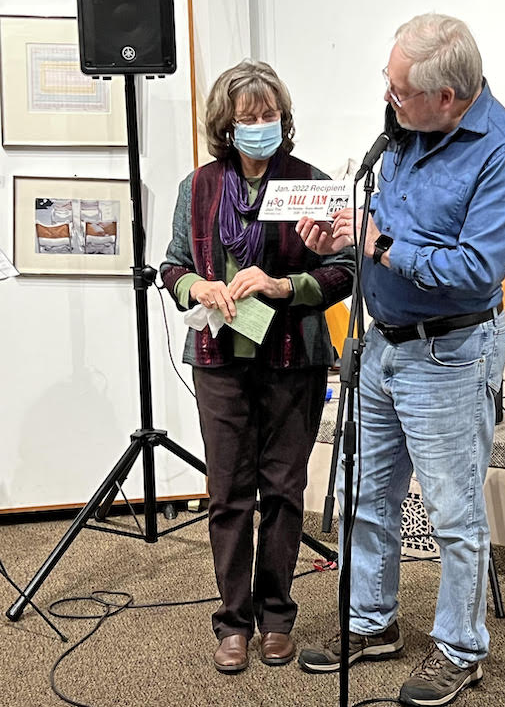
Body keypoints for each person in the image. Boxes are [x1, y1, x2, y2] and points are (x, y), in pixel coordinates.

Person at [296, 14, 505, 707]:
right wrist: (335, 244)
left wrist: (378, 247)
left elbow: (474, 268)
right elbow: (379, 230)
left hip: (452, 353)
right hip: (381, 344)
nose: (388, 96)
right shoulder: (404, 132)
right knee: (364, 495)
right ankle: (372, 622)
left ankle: (461, 651)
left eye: (400, 89)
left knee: (453, 513)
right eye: (389, 80)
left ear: (450, 97)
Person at [160, 60, 355, 674]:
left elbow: (344, 270)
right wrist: (197, 286)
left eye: (269, 116)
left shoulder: (311, 183)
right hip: (219, 361)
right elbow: (170, 268)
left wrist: (281, 285)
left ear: (283, 119)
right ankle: (233, 622)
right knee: (227, 493)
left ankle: (277, 616)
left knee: (284, 491)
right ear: (226, 125)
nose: (260, 126)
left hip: (294, 359)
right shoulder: (198, 188)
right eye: (247, 118)